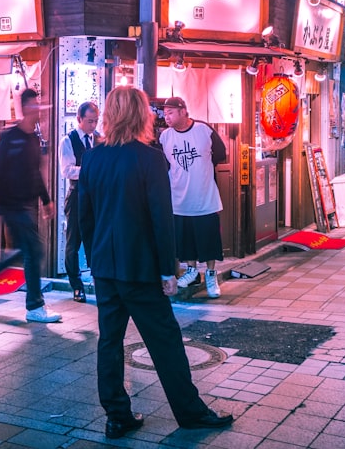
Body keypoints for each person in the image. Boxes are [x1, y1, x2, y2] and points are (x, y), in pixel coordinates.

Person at [77, 86, 234, 438]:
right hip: (142, 269)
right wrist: (169, 270)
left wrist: (93, 259)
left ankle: (117, 414)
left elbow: (84, 217)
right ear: (141, 116)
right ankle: (190, 412)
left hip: (105, 268)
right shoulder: (149, 158)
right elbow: (162, 219)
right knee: (165, 341)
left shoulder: (93, 157)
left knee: (110, 341)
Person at [0, 88, 61, 323]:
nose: (39, 110)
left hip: (26, 206)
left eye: (40, 105)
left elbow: (35, 173)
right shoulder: (10, 137)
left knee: (26, 250)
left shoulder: (33, 138)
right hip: (10, 206)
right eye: (35, 106)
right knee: (34, 250)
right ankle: (35, 306)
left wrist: (46, 201)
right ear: (25, 108)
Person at [159, 96, 228, 298]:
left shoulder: (203, 130)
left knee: (208, 238)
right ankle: (191, 271)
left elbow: (220, 154)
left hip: (204, 196)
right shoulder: (165, 137)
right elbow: (164, 164)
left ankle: (211, 274)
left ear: (183, 111)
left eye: (170, 113)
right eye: (165, 114)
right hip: (179, 198)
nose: (167, 118)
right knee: (185, 239)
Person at [59, 101, 100, 303]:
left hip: (96, 196)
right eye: (90, 121)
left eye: (96, 121)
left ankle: (98, 280)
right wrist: (89, 170)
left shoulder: (100, 139)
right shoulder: (68, 140)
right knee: (73, 241)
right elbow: (66, 170)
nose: (93, 125)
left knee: (96, 239)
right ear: (79, 119)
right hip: (76, 196)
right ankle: (76, 285)